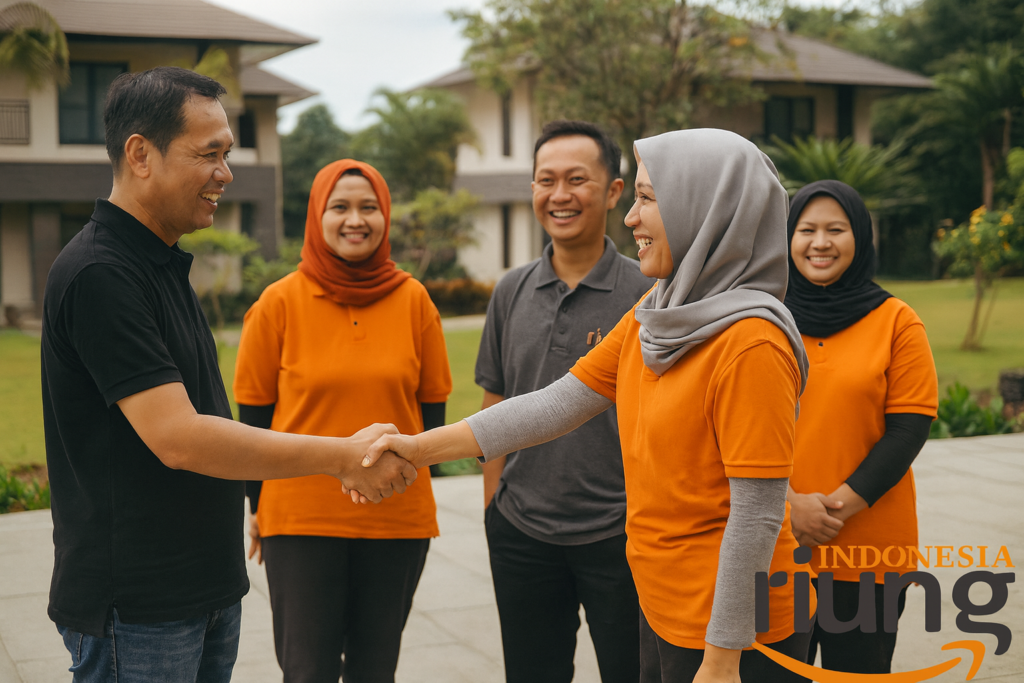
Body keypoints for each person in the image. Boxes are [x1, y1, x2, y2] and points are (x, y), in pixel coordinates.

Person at [361, 129, 818, 683]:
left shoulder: (751, 342)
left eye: (648, 199)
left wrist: (722, 658)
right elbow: (557, 403)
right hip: (667, 607)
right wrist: (419, 447)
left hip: (739, 631)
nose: (630, 219)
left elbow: (758, 511)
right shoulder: (662, 310)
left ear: (706, 209)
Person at [40, 67, 413, 683]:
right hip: (138, 607)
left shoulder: (158, 261)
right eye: (208, 154)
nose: (225, 173)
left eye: (228, 154)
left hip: (202, 590)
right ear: (140, 154)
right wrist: (341, 456)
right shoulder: (101, 273)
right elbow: (180, 438)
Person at [232, 159, 452, 683]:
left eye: (368, 207)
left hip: (396, 518)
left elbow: (432, 414)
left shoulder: (413, 299)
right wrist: (258, 507)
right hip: (301, 520)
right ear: (317, 215)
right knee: (307, 670)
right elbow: (254, 421)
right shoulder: (278, 303)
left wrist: (416, 484)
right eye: (340, 207)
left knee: (376, 669)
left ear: (385, 216)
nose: (356, 219)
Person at [476, 120, 653, 683]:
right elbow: (494, 401)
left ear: (614, 192)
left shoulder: (650, 292)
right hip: (522, 534)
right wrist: (493, 509)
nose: (559, 195)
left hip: (623, 535)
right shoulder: (511, 291)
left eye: (577, 179)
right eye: (545, 180)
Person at [783, 180, 938, 674]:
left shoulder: (896, 321)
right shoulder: (763, 316)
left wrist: (832, 510)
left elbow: (908, 429)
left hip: (869, 549)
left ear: (861, 238)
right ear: (786, 238)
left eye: (836, 229)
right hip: (777, 543)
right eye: (806, 229)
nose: (820, 242)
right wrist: (790, 508)